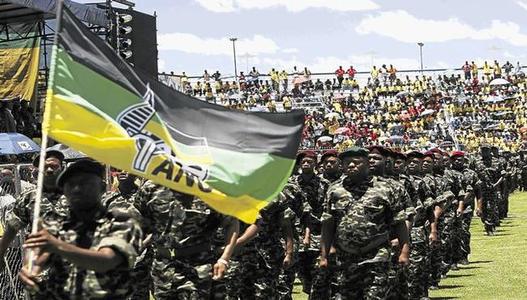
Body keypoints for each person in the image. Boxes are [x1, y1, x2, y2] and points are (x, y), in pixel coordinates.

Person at [19, 159, 143, 299]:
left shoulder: (120, 219)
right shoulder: (58, 221)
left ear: (102, 188)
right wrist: (30, 267)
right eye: (70, 185)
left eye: (85, 183)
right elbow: (37, 249)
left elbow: (106, 260)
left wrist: (56, 245)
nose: (77, 189)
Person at [320, 147, 409, 299]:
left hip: (377, 255)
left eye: (356, 162)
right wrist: (324, 255)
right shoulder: (334, 190)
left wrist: (405, 251)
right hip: (345, 258)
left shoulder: (386, 188)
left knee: (375, 296)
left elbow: (399, 222)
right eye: (347, 162)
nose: (351, 165)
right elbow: (328, 224)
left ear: (368, 164)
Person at [133, 181, 239, 299]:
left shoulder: (210, 190)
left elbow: (232, 224)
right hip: (162, 268)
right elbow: (137, 221)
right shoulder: (151, 187)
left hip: (197, 267)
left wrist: (224, 259)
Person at [0, 150, 66, 271]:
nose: (50, 170)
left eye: (54, 166)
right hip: (38, 270)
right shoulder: (29, 197)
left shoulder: (75, 195)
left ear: (62, 168)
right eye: (45, 167)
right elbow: (12, 226)